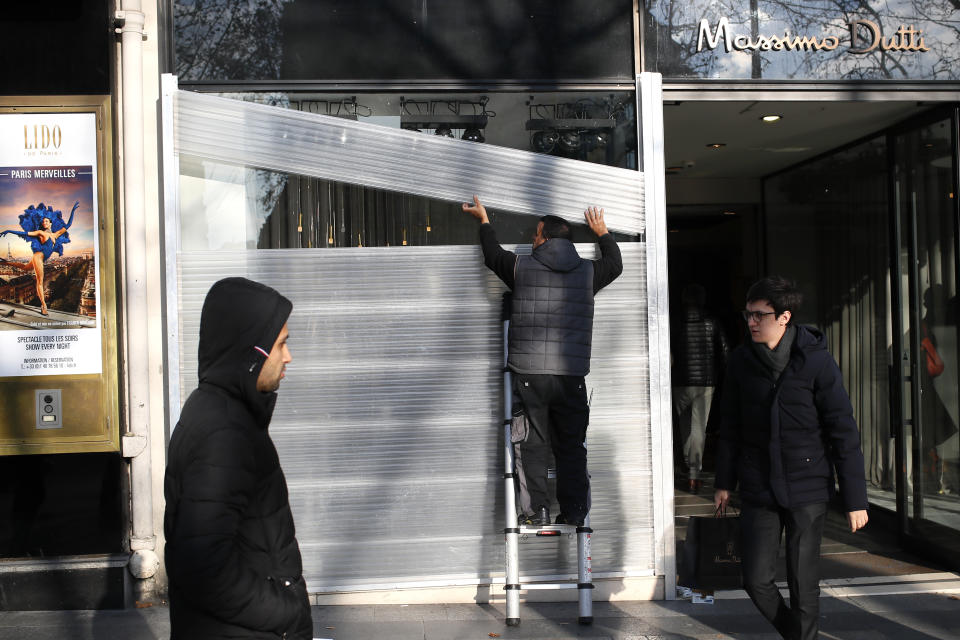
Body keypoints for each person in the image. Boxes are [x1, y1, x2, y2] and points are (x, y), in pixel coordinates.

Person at [714, 276, 868, 640]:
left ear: (784, 317)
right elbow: (729, 426)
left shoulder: (817, 362)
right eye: (747, 314)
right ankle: (799, 636)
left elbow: (843, 432)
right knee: (754, 579)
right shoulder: (740, 361)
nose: (751, 322)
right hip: (758, 486)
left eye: (759, 315)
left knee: (804, 584)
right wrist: (723, 482)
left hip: (807, 486)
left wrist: (855, 499)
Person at [164, 277, 312, 639]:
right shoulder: (224, 433)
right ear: (252, 354)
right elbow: (204, 566)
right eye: (281, 345)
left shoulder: (220, 411)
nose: (288, 357)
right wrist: (285, 613)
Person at [463, 195, 623, 526]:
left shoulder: (521, 267)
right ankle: (575, 512)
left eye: (535, 234)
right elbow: (615, 264)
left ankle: (537, 510)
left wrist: (484, 221)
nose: (532, 240)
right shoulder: (588, 272)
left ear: (545, 237)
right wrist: (603, 232)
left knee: (532, 442)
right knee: (571, 446)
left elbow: (493, 255)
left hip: (528, 374)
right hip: (570, 376)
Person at [672, 283, 728, 494]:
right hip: (705, 382)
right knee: (698, 428)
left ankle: (690, 465)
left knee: (685, 427)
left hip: (680, 381)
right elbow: (724, 351)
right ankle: (694, 472)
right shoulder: (712, 322)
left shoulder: (676, 323)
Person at [0, 201, 79, 315]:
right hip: (38, 257)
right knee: (40, 282)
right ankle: (44, 306)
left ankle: (5, 263)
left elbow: (68, 225)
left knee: (26, 267)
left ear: (51, 223)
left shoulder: (55, 235)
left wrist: (72, 211)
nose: (44, 222)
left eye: (46, 221)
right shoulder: (40, 232)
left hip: (41, 258)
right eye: (43, 221)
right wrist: (9, 231)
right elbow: (25, 233)